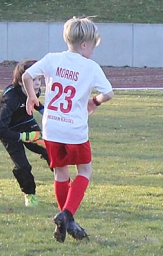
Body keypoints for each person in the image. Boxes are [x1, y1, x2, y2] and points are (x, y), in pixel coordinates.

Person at [23, 17, 114, 242]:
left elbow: (26, 76)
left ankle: (65, 221)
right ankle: (67, 215)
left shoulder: (52, 59)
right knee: (85, 171)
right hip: (75, 130)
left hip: (52, 128)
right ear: (84, 44)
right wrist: (95, 101)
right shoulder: (90, 67)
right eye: (92, 47)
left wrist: (32, 97)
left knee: (61, 173)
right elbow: (108, 93)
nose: (92, 52)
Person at [0, 59, 50, 207]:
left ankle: (63, 182)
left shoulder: (36, 90)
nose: (37, 84)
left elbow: (33, 101)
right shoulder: (10, 99)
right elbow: (0, 129)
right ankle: (30, 195)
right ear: (21, 81)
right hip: (8, 130)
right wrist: (23, 137)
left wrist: (44, 111)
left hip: (26, 122)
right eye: (33, 79)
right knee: (23, 166)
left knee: (50, 149)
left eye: (39, 79)